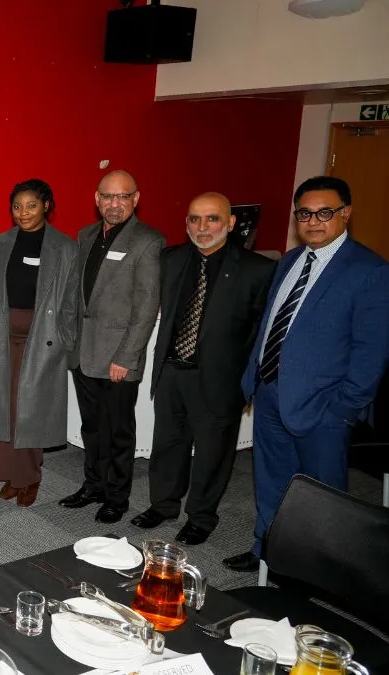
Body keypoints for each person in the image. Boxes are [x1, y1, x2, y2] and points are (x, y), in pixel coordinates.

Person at [224, 176, 389, 572]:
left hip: (324, 408)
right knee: (271, 480)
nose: (313, 221)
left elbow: (372, 351)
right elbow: (271, 324)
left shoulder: (370, 271)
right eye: (305, 213)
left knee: (323, 495)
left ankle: (322, 570)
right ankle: (267, 550)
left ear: (345, 214)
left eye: (324, 212)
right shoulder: (289, 260)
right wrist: (254, 380)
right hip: (271, 392)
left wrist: (344, 409)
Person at [132, 193, 275, 545]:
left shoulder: (258, 270)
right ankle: (163, 505)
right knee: (167, 444)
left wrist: (245, 383)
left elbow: (261, 335)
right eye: (194, 219)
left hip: (219, 380)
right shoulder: (172, 259)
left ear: (230, 223)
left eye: (212, 219)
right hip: (171, 372)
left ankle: (201, 516)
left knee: (212, 453)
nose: (202, 227)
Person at [60, 170, 164, 524]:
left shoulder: (148, 241)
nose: (114, 204)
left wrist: (127, 356)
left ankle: (117, 497)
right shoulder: (85, 235)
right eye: (107, 196)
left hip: (119, 357)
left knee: (119, 431)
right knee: (92, 426)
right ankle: (94, 485)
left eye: (122, 197)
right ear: (96, 198)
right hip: (85, 352)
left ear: (136, 199)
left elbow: (146, 307)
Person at [0, 180, 79, 506]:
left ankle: (29, 477)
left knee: (30, 411)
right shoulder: (1, 243)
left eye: (31, 205)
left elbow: (72, 300)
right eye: (17, 207)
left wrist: (65, 339)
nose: (23, 213)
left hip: (41, 340)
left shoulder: (65, 247)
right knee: (3, 407)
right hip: (3, 338)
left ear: (46, 205)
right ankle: (8, 473)